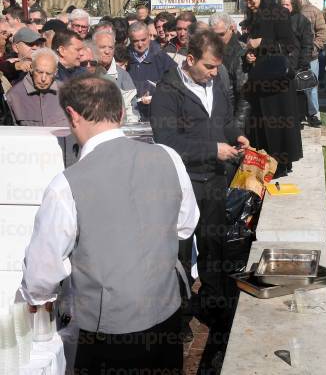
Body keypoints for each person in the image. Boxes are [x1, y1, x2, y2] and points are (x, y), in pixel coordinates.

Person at [19, 74, 199, 374]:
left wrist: (38, 298)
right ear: (120, 113)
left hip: (110, 328)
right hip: (166, 310)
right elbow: (185, 224)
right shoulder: (168, 156)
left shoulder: (66, 185)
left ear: (73, 116)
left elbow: (43, 270)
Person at [150, 30, 249, 373]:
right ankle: (177, 319)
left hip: (215, 180)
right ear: (189, 60)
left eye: (216, 68)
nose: (213, 73)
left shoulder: (215, 82)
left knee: (214, 245)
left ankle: (214, 307)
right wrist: (211, 149)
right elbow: (166, 140)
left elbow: (221, 119)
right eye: (208, 67)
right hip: (182, 183)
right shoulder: (167, 90)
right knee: (179, 252)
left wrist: (235, 133)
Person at [242, 0, 303, 178]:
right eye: (247, 2)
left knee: (279, 124)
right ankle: (267, 162)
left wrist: (262, 43)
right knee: (263, 122)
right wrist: (250, 54)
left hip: (278, 82)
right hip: (261, 78)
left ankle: (281, 164)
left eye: (251, 0)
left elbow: (290, 45)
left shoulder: (278, 13)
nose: (249, 4)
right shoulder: (254, 16)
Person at [287, 0, 326, 127]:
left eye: (291, 0)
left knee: (309, 87)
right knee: (295, 88)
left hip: (311, 57)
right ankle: (297, 115)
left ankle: (312, 114)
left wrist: (312, 47)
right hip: (292, 59)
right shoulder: (285, 15)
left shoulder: (313, 11)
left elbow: (322, 32)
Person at [208, 12, 250, 130]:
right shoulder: (209, 50)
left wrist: (237, 127)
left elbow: (244, 95)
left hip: (231, 118)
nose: (217, 39)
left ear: (231, 29)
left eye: (221, 34)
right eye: (213, 35)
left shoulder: (241, 53)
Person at [126, 21, 176, 120]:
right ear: (130, 40)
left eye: (143, 40)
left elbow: (176, 85)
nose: (140, 44)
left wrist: (157, 96)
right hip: (131, 117)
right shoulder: (124, 58)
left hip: (158, 116)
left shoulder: (162, 58)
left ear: (149, 36)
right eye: (135, 41)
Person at [5, 48, 67, 126]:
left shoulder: (67, 93)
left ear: (55, 72)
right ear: (31, 68)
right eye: (39, 72)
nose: (43, 79)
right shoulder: (13, 96)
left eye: (48, 73)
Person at [279, 0, 314, 127]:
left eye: (287, 4)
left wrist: (304, 62)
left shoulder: (301, 20)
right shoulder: (276, 20)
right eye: (282, 5)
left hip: (297, 63)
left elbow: (307, 43)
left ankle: (299, 119)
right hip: (281, 64)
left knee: (298, 93)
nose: (284, 7)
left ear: (293, 5)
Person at [93, 30, 138, 121]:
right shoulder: (85, 71)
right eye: (102, 47)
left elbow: (131, 112)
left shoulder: (123, 76)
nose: (107, 51)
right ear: (93, 47)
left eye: (111, 48)